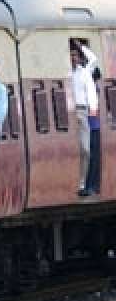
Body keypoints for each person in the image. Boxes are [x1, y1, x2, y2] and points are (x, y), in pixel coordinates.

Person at [71, 40, 101, 197]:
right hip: (69, 111)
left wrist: (80, 45)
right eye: (71, 55)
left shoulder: (85, 72)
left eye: (76, 55)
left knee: (86, 149)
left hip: (83, 111)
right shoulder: (68, 74)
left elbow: (94, 59)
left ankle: (83, 183)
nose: (73, 58)